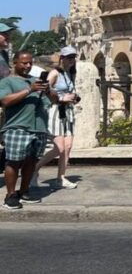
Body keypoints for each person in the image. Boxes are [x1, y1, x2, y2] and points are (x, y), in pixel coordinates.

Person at [0, 51, 57, 209]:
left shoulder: (36, 81)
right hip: (18, 127)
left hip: (38, 128)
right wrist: (29, 90)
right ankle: (10, 195)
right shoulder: (8, 82)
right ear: (15, 63)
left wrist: (48, 91)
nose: (28, 65)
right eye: (24, 63)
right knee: (13, 162)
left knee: (31, 162)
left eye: (30, 63)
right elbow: (4, 101)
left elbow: (55, 100)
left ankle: (24, 191)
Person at [33, 47, 80, 189]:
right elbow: (44, 91)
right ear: (62, 58)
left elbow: (70, 91)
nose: (71, 60)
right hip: (55, 111)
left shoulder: (70, 73)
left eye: (73, 57)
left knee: (68, 146)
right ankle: (34, 168)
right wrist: (61, 98)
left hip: (68, 111)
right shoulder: (54, 73)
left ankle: (61, 177)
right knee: (59, 148)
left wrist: (74, 97)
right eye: (68, 57)